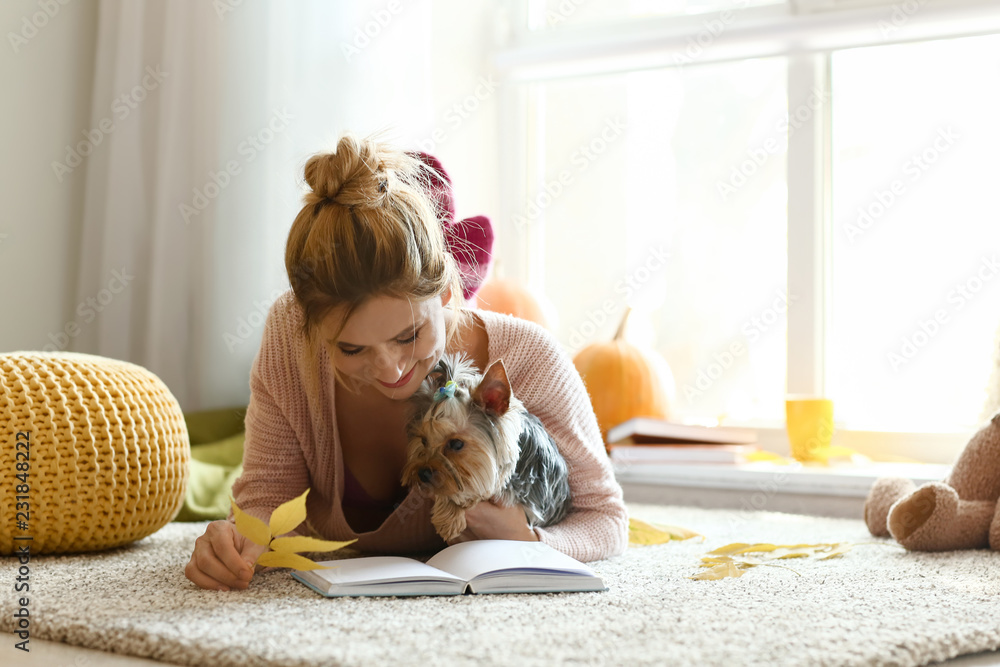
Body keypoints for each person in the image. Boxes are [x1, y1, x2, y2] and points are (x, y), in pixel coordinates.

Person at [184, 134, 628, 592]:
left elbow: (607, 519)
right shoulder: (288, 334)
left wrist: (530, 540)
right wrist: (233, 543)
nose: (390, 370)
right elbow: (264, 500)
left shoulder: (529, 358)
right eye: (350, 349)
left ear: (447, 291)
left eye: (409, 336)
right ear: (310, 328)